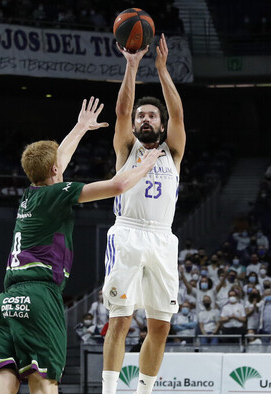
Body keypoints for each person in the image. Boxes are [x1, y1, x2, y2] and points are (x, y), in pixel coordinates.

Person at [0, 97, 161, 394]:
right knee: (44, 383)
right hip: (39, 297)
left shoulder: (32, 193)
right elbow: (117, 186)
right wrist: (145, 165)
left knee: (3, 383)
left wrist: (80, 128)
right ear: (55, 170)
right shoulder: (55, 194)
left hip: (4, 303)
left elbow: (57, 162)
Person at [101, 34, 186, 394]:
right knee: (120, 320)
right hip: (128, 233)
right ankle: (108, 391)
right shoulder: (126, 148)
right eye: (141, 116)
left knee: (161, 326)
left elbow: (178, 112)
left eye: (152, 115)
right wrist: (132, 66)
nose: (145, 118)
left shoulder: (174, 151)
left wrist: (163, 70)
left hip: (163, 238)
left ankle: (144, 392)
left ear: (161, 124)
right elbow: (121, 110)